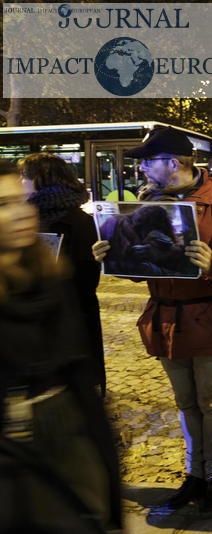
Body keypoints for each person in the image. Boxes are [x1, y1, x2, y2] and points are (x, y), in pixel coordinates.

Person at [91, 127, 212, 512]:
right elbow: (142, 268)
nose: (142, 168)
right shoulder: (147, 205)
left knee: (210, 401)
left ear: (174, 162)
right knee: (185, 402)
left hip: (209, 315)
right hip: (167, 318)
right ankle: (194, 475)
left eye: (148, 160)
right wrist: (113, 256)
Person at [0, 160, 122, 532]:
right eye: (5, 205)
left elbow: (80, 382)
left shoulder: (50, 276)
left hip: (65, 444)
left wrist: (110, 486)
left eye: (23, 199)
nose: (24, 211)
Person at [20, 152, 106, 397]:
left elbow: (87, 280)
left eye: (24, 177)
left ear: (42, 179)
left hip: (71, 319)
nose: (20, 184)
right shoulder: (27, 218)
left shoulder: (79, 223)